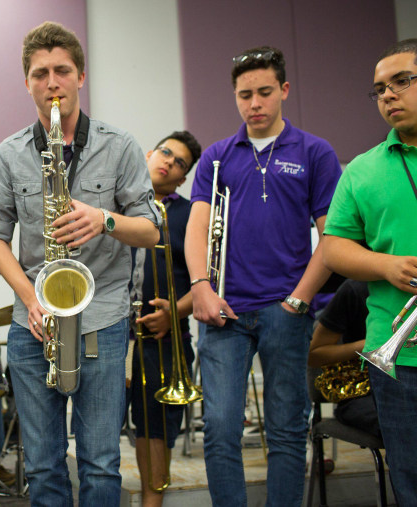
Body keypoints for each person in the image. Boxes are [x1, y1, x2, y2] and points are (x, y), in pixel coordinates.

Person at [0, 21, 160, 506]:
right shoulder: (9, 153)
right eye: (41, 74)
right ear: (28, 83)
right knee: (41, 463)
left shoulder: (119, 145)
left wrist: (103, 219)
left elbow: (151, 229)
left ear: (81, 76)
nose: (52, 83)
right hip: (33, 322)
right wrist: (27, 298)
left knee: (101, 463)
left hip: (101, 315)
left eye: (62, 71)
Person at [183, 46, 341, 506]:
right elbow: (196, 228)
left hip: (284, 311)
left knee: (287, 431)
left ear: (284, 91)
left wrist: (300, 299)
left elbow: (331, 237)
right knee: (219, 430)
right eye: (245, 94)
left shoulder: (316, 152)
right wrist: (201, 288)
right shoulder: (216, 157)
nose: (254, 103)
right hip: (223, 312)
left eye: (265, 92)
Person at [322, 38, 417, 505]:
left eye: (402, 82)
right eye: (379, 89)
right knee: (412, 479)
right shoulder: (361, 170)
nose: (388, 95)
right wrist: (388, 266)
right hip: (399, 356)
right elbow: (333, 247)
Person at [128, 131, 201, 506]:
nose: (169, 162)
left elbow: (210, 278)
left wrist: (175, 313)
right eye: (166, 153)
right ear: (149, 153)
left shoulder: (191, 214)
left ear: (182, 177)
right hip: (113, 333)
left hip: (166, 338)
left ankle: (150, 503)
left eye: (179, 163)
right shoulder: (119, 202)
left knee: (156, 426)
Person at [307, 279, 380, 438]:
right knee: (401, 422)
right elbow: (314, 354)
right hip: (362, 395)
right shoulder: (356, 289)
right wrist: (373, 344)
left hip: (404, 389)